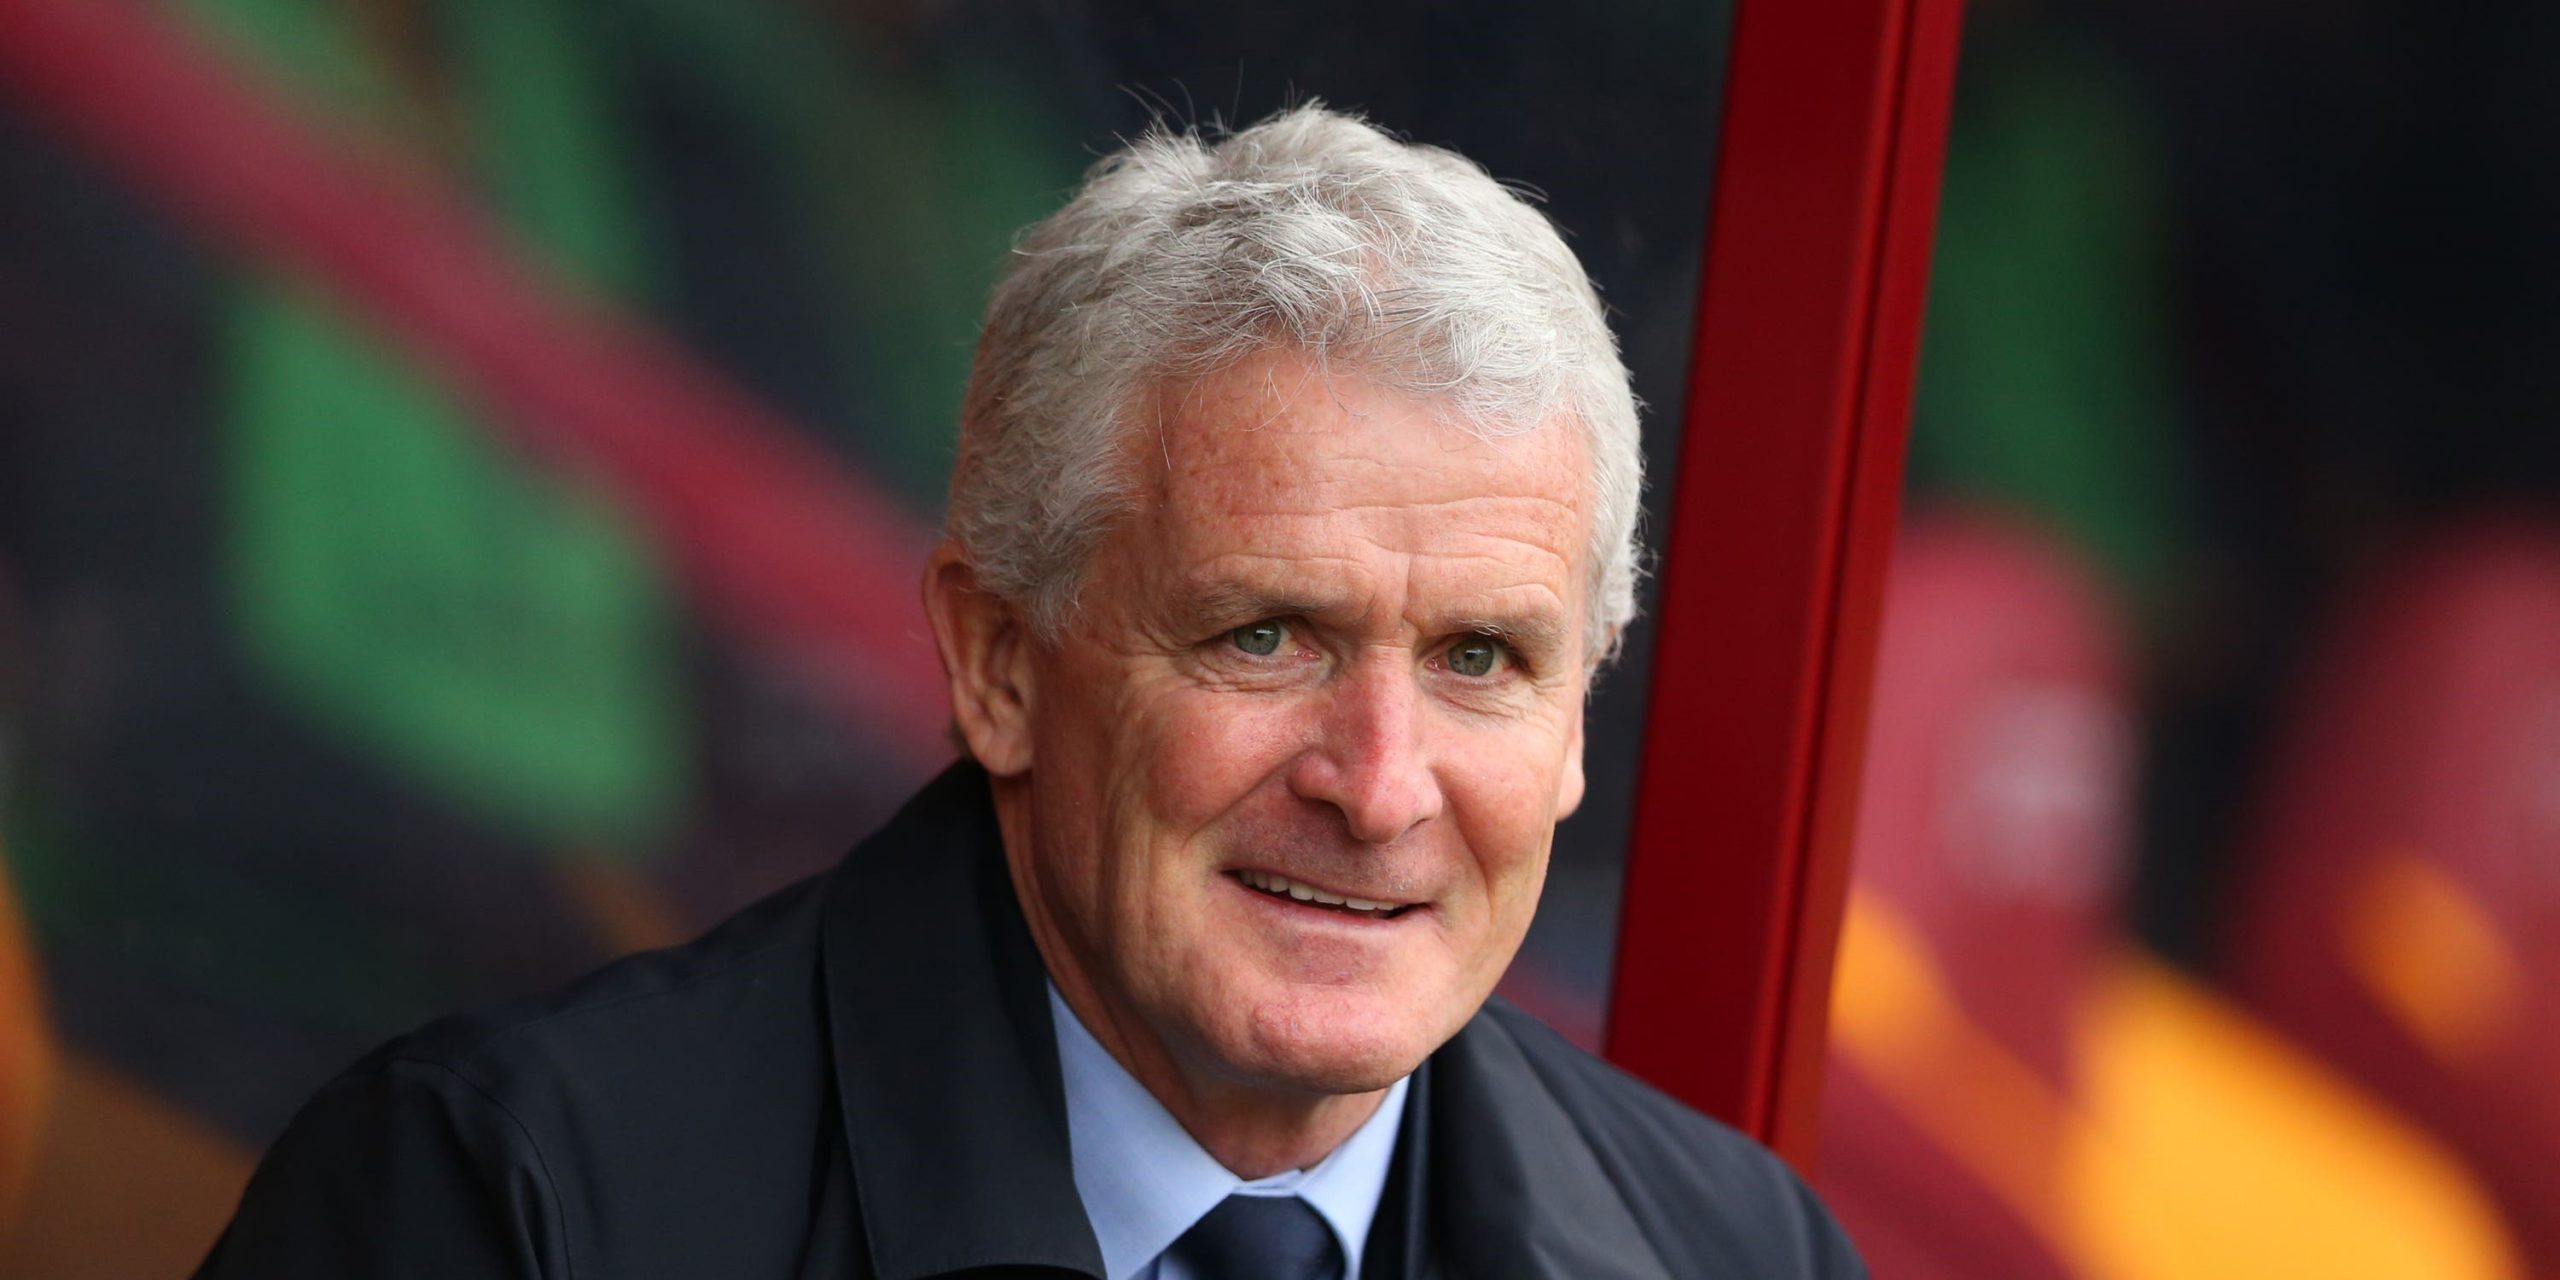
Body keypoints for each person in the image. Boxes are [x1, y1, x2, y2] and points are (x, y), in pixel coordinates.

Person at [195, 106, 1862, 1279]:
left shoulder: (1741, 1255)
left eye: (1479, 659)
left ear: (1580, 723)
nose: (1378, 785)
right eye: (1265, 636)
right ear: (998, 662)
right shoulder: (504, 1211)